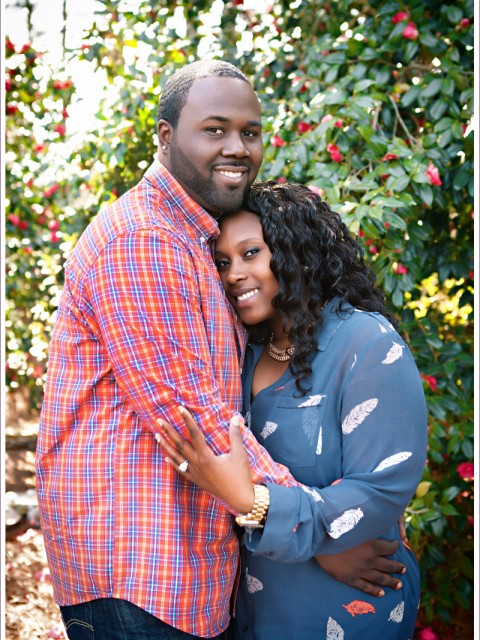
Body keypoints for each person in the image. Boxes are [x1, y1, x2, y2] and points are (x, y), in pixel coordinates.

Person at [36, 60, 411, 640]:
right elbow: (190, 415)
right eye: (214, 129)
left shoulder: (199, 238)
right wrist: (324, 535)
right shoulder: (144, 240)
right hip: (140, 570)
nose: (237, 146)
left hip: (193, 567)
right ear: (166, 136)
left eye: (250, 132)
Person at [156, 180, 428, 640]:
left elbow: (382, 487)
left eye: (250, 253)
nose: (233, 274)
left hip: (350, 599)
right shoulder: (242, 355)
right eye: (222, 262)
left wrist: (268, 510)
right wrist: (317, 543)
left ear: (295, 252)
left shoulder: (365, 343)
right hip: (254, 607)